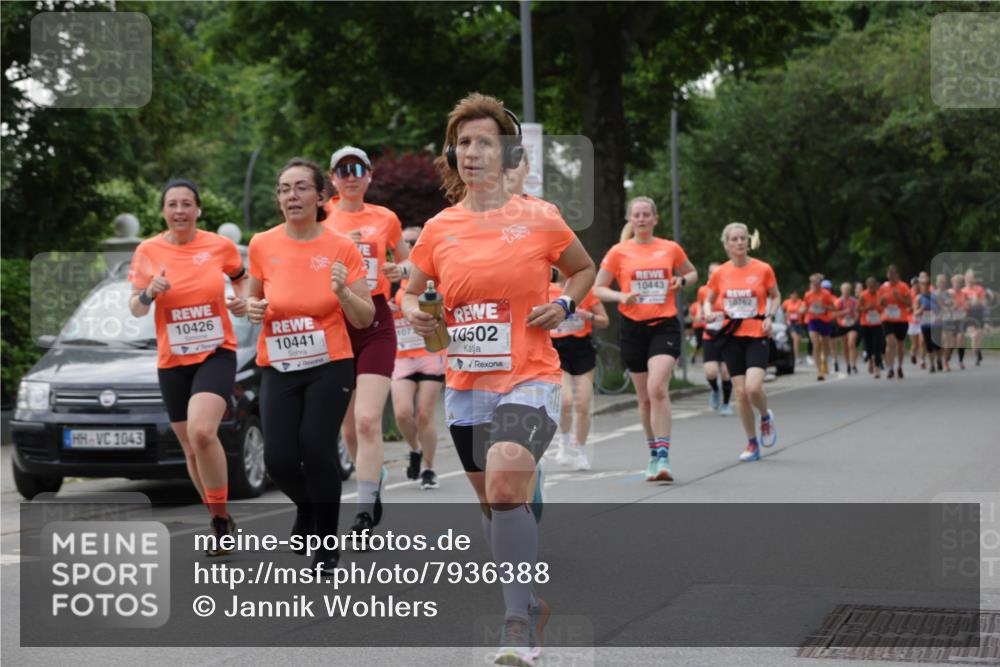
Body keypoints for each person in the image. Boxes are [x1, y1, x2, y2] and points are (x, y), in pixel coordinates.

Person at [402, 93, 595, 665]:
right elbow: (410, 290)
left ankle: (516, 622)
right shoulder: (440, 228)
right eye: (463, 142)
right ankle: (528, 602)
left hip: (530, 375)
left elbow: (583, 269)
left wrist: (563, 305)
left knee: (508, 487)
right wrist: (416, 309)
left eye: (484, 141)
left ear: (508, 153)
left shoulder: (539, 218)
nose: (472, 152)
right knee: (495, 505)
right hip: (466, 385)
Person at [246, 158, 374, 573]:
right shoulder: (262, 244)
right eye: (284, 189)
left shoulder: (341, 246)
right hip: (279, 364)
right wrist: (250, 308)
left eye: (301, 188)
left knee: (316, 448)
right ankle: (305, 506)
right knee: (279, 460)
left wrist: (341, 292)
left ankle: (326, 540)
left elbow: (364, 317)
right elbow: (255, 302)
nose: (292, 196)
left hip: (329, 364)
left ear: (320, 197)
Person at [128, 179, 248, 554]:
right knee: (190, 448)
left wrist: (242, 302)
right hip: (172, 360)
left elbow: (242, 279)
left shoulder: (219, 246)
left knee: (201, 432)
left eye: (186, 204)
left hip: (216, 352)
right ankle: (220, 519)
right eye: (172, 204)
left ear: (198, 210)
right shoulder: (148, 251)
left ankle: (219, 516)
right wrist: (149, 293)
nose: (179, 210)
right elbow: (135, 307)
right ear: (163, 211)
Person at [324, 146, 409, 537]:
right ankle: (371, 482)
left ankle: (362, 509)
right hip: (335, 322)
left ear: (370, 175)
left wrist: (399, 269)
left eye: (358, 168)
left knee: (367, 419)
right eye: (344, 170)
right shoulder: (323, 218)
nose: (352, 175)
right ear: (332, 179)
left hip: (375, 319)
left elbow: (409, 264)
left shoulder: (386, 218)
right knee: (347, 429)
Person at [594, 197, 698, 483]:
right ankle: (653, 454)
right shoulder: (618, 252)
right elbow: (598, 289)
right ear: (631, 220)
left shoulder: (669, 248)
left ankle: (664, 457)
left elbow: (691, 272)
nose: (641, 219)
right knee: (643, 397)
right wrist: (620, 296)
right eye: (636, 215)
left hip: (664, 325)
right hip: (632, 328)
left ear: (655, 219)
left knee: (657, 388)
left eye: (646, 215)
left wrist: (682, 281)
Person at [703, 223, 781, 463]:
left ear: (748, 242)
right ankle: (751, 442)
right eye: (734, 239)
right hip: (731, 336)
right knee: (740, 392)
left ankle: (766, 416)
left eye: (742, 239)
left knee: (753, 388)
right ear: (726, 244)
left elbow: (776, 295)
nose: (739, 243)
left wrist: (769, 316)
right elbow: (709, 299)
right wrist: (708, 312)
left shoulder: (763, 269)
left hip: (756, 333)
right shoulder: (720, 273)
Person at [390, 225, 444, 490]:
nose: (410, 247)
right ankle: (415, 449)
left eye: (415, 242)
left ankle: (430, 469)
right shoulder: (390, 280)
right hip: (401, 355)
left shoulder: (433, 275)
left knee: (424, 413)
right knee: (402, 413)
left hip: (430, 352)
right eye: (405, 242)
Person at [548, 269, 609, 470]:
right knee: (565, 401)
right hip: (557, 350)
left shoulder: (583, 290)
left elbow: (604, 320)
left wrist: (587, 315)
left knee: (583, 404)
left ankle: (580, 451)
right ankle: (564, 444)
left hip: (582, 348)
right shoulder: (545, 290)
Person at [699, 263, 734, 416]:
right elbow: (701, 309)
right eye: (711, 272)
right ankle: (715, 390)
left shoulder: (729, 290)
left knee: (726, 372)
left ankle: (726, 404)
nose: (714, 275)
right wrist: (703, 316)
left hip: (726, 334)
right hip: (710, 334)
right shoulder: (703, 291)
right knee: (710, 372)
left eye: (717, 272)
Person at [878, 265, 912, 379]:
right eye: (889, 274)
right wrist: (882, 302)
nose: (891, 276)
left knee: (900, 345)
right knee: (890, 341)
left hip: (901, 319)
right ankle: (890, 368)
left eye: (893, 273)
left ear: (897, 274)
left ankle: (900, 367)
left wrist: (899, 298)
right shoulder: (883, 287)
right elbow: (879, 304)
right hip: (887, 318)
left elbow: (909, 303)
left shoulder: (903, 286)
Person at [803, 274, 836, 381]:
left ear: (820, 284)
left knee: (825, 345)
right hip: (812, 321)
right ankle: (819, 370)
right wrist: (802, 309)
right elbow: (805, 306)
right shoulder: (808, 294)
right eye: (812, 283)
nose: (814, 285)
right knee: (816, 343)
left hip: (825, 321)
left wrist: (824, 306)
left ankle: (825, 361)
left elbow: (833, 307)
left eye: (816, 283)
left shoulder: (826, 294)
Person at [962, 270, 992, 367]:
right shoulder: (963, 291)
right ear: (965, 279)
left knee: (979, 337)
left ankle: (978, 352)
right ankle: (976, 356)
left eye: (972, 278)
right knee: (974, 336)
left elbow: (984, 303)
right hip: (969, 315)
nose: (970, 280)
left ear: (974, 279)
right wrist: (968, 303)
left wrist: (977, 301)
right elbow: (962, 304)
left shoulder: (979, 289)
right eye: (968, 278)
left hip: (979, 315)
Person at [914, 274, 941, 373]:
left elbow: (941, 309)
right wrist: (920, 310)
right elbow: (915, 313)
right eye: (922, 284)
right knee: (928, 345)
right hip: (925, 324)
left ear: (929, 285)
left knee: (937, 345)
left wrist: (938, 316)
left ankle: (939, 360)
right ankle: (932, 365)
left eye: (926, 284)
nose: (924, 286)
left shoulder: (935, 296)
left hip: (936, 324)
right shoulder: (918, 298)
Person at [858, 277, 884, 378]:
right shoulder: (863, 295)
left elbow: (884, 307)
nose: (872, 288)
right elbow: (858, 309)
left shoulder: (880, 294)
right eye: (870, 286)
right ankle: (870, 360)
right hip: (866, 324)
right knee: (868, 346)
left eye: (873, 286)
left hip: (877, 324)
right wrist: (867, 308)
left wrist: (879, 308)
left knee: (877, 346)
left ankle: (877, 368)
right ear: (867, 286)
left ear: (875, 285)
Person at [834, 282, 859, 375]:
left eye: (848, 290)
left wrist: (854, 316)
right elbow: (834, 314)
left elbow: (858, 312)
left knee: (851, 343)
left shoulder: (854, 301)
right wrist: (844, 312)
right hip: (842, 324)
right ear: (841, 290)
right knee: (845, 346)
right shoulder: (838, 302)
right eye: (844, 290)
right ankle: (848, 364)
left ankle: (853, 364)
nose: (846, 292)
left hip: (852, 324)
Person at [782, 289, 806, 369]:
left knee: (798, 341)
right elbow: (782, 310)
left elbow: (803, 309)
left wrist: (801, 311)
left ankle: (795, 354)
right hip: (790, 324)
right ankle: (797, 357)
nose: (794, 297)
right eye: (792, 295)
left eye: (795, 295)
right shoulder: (786, 302)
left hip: (798, 324)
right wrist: (785, 317)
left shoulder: (800, 302)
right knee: (795, 339)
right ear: (790, 296)